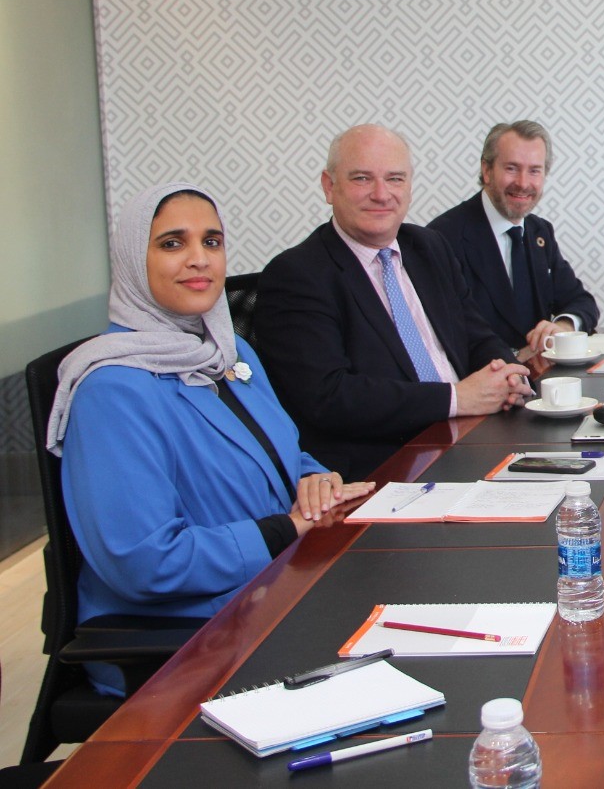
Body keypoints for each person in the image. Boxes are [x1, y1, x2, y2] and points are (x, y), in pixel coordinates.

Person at [49, 183, 374, 696]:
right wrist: (284, 530)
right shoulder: (112, 390)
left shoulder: (228, 352)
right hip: (187, 640)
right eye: (172, 243)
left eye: (212, 241)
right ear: (133, 259)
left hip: (274, 594)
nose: (199, 259)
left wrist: (315, 479)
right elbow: (146, 562)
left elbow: (281, 450)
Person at [254, 125, 529, 480]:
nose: (381, 194)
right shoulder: (297, 274)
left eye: (395, 179)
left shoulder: (430, 247)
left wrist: (509, 375)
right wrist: (455, 398)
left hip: (468, 437)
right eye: (362, 178)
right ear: (329, 186)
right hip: (383, 466)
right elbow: (329, 396)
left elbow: (475, 336)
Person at [429, 121, 601, 360]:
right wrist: (514, 359)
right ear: (487, 170)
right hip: (483, 377)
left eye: (534, 171)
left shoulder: (540, 232)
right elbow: (444, 335)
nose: (523, 183)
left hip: (541, 376)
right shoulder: (441, 238)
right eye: (512, 168)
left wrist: (563, 326)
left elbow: (581, 301)